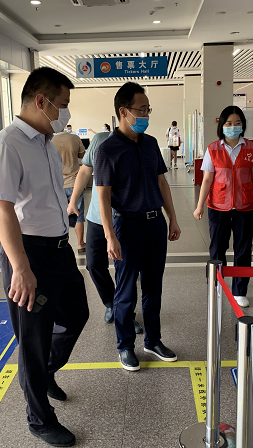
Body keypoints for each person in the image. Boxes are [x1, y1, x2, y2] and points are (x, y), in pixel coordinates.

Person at [0, 66, 88, 447]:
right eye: (62, 104)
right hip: (29, 254)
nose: (65, 112)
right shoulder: (5, 145)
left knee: (76, 315)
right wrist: (20, 268)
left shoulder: (46, 142)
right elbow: (1, 210)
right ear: (41, 101)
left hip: (59, 249)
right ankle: (39, 419)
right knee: (33, 340)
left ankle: (43, 373)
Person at [95, 82, 181, 372]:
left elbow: (161, 182)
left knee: (154, 287)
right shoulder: (107, 149)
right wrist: (109, 236)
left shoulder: (151, 143)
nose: (146, 115)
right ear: (124, 111)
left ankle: (153, 341)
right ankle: (125, 346)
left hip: (155, 223)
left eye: (147, 109)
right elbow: (103, 196)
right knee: (126, 290)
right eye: (141, 110)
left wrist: (172, 217)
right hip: (127, 226)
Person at [66, 131, 143, 334]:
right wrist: (73, 201)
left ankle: (126, 315)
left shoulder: (139, 142)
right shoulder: (100, 139)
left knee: (125, 270)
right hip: (97, 218)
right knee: (93, 264)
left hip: (124, 219)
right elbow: (85, 171)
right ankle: (111, 303)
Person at [193, 105, 253, 308]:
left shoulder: (251, 148)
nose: (233, 127)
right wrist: (199, 206)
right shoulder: (213, 149)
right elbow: (207, 180)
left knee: (243, 249)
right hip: (218, 206)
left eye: (237, 123)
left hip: (245, 206)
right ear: (222, 126)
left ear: (243, 125)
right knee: (217, 249)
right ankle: (217, 286)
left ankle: (239, 291)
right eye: (228, 123)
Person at [53, 127, 87, 253]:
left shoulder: (49, 141)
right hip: (74, 183)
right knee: (78, 214)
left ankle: (60, 243)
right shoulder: (74, 138)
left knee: (58, 215)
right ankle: (80, 244)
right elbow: (83, 156)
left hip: (56, 184)